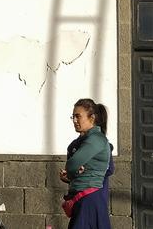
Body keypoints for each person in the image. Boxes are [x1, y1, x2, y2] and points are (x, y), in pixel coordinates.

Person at [60, 98, 112, 229]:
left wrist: (72, 173)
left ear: (92, 117)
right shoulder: (82, 141)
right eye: (73, 117)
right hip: (83, 199)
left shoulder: (97, 139)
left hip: (90, 199)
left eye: (78, 116)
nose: (75, 121)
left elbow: (72, 164)